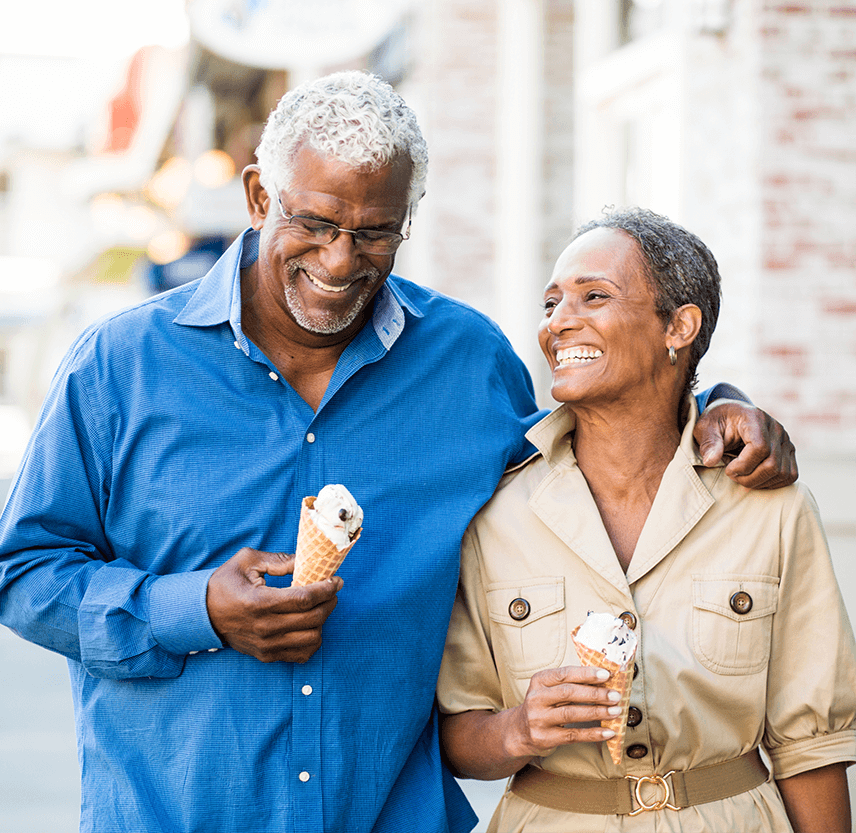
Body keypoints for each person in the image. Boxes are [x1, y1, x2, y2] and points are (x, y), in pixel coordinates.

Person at [0, 73, 796, 833]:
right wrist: (196, 607)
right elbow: (24, 570)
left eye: (375, 231)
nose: (342, 261)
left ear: (406, 220)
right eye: (313, 223)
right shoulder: (119, 367)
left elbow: (589, 448)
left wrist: (713, 400)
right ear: (256, 198)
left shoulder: (465, 362)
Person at [437, 207, 856, 832]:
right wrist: (519, 729)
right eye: (551, 303)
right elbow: (457, 733)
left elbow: (810, 746)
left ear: (679, 326)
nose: (559, 322)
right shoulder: (495, 512)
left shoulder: (770, 507)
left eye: (593, 296)